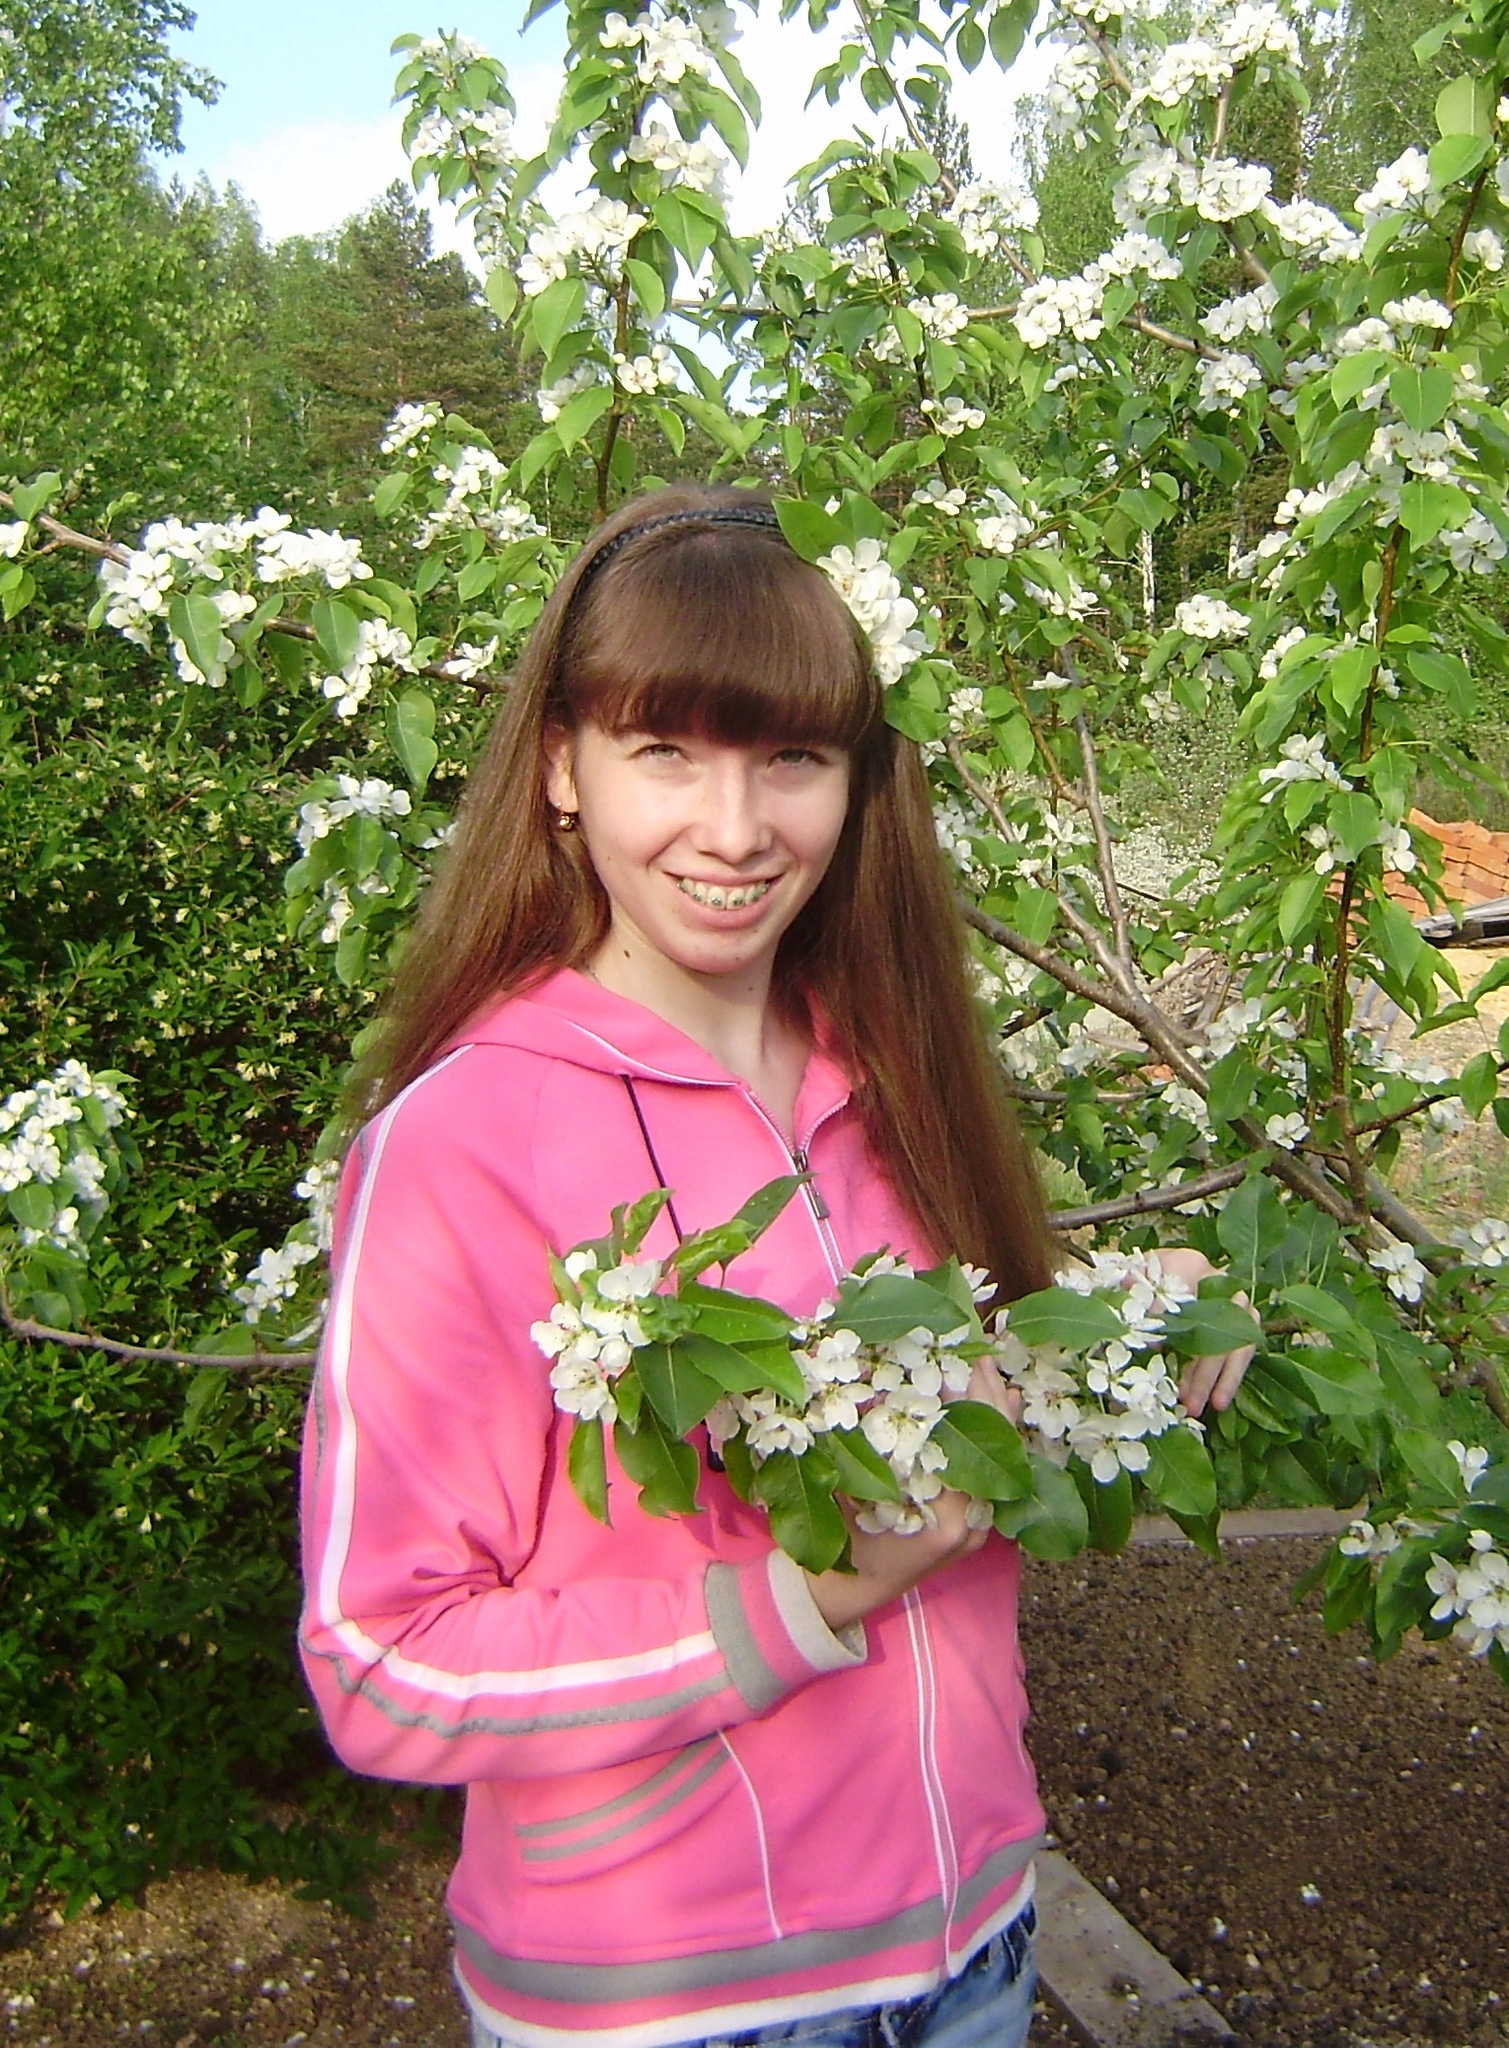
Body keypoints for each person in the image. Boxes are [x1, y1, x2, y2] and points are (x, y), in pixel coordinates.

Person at [299, 484, 1252, 2048]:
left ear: (856, 782)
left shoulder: (894, 1080)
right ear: (562, 769)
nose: (735, 830)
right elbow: (382, 1666)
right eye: (664, 752)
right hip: (678, 2004)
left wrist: (1137, 1315)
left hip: (973, 1947)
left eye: (791, 759)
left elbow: (959, 1381)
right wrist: (804, 1598)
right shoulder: (464, 1143)